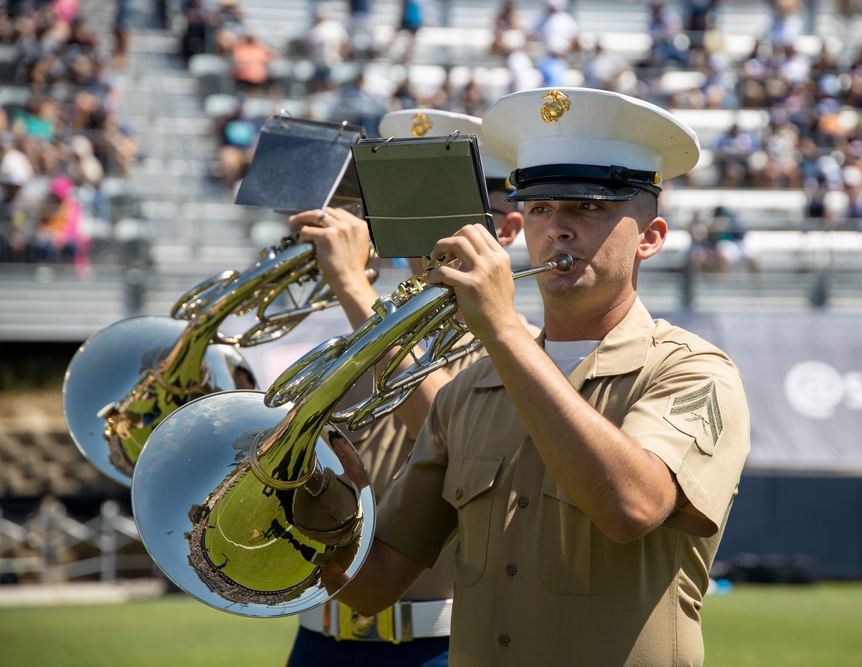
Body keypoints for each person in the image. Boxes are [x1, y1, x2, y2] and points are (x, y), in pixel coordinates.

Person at [299, 88, 752, 665]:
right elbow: (377, 579)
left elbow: (630, 509)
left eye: (588, 208)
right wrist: (293, 500)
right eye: (540, 209)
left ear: (650, 238)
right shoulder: (467, 391)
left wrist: (505, 330)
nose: (558, 228)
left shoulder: (692, 371)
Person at [284, 108, 532, 667]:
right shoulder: (354, 338)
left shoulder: (522, 350)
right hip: (317, 636)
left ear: (508, 229)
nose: (422, 237)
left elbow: (444, 424)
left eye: (444, 211)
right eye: (408, 210)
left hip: (437, 647)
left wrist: (351, 285)